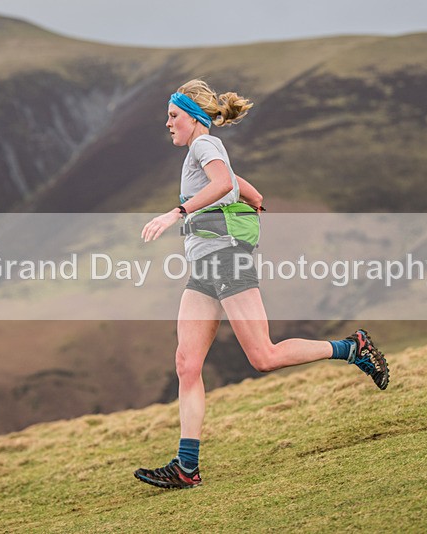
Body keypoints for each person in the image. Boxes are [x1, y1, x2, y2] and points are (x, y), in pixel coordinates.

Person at [134, 79, 389, 489]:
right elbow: (237, 185)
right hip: (204, 270)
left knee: (264, 357)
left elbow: (221, 184)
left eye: (173, 116)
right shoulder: (202, 152)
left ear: (193, 117)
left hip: (227, 261)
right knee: (187, 365)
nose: (167, 123)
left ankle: (352, 348)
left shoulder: (204, 145)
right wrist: (252, 198)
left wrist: (175, 213)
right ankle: (187, 466)